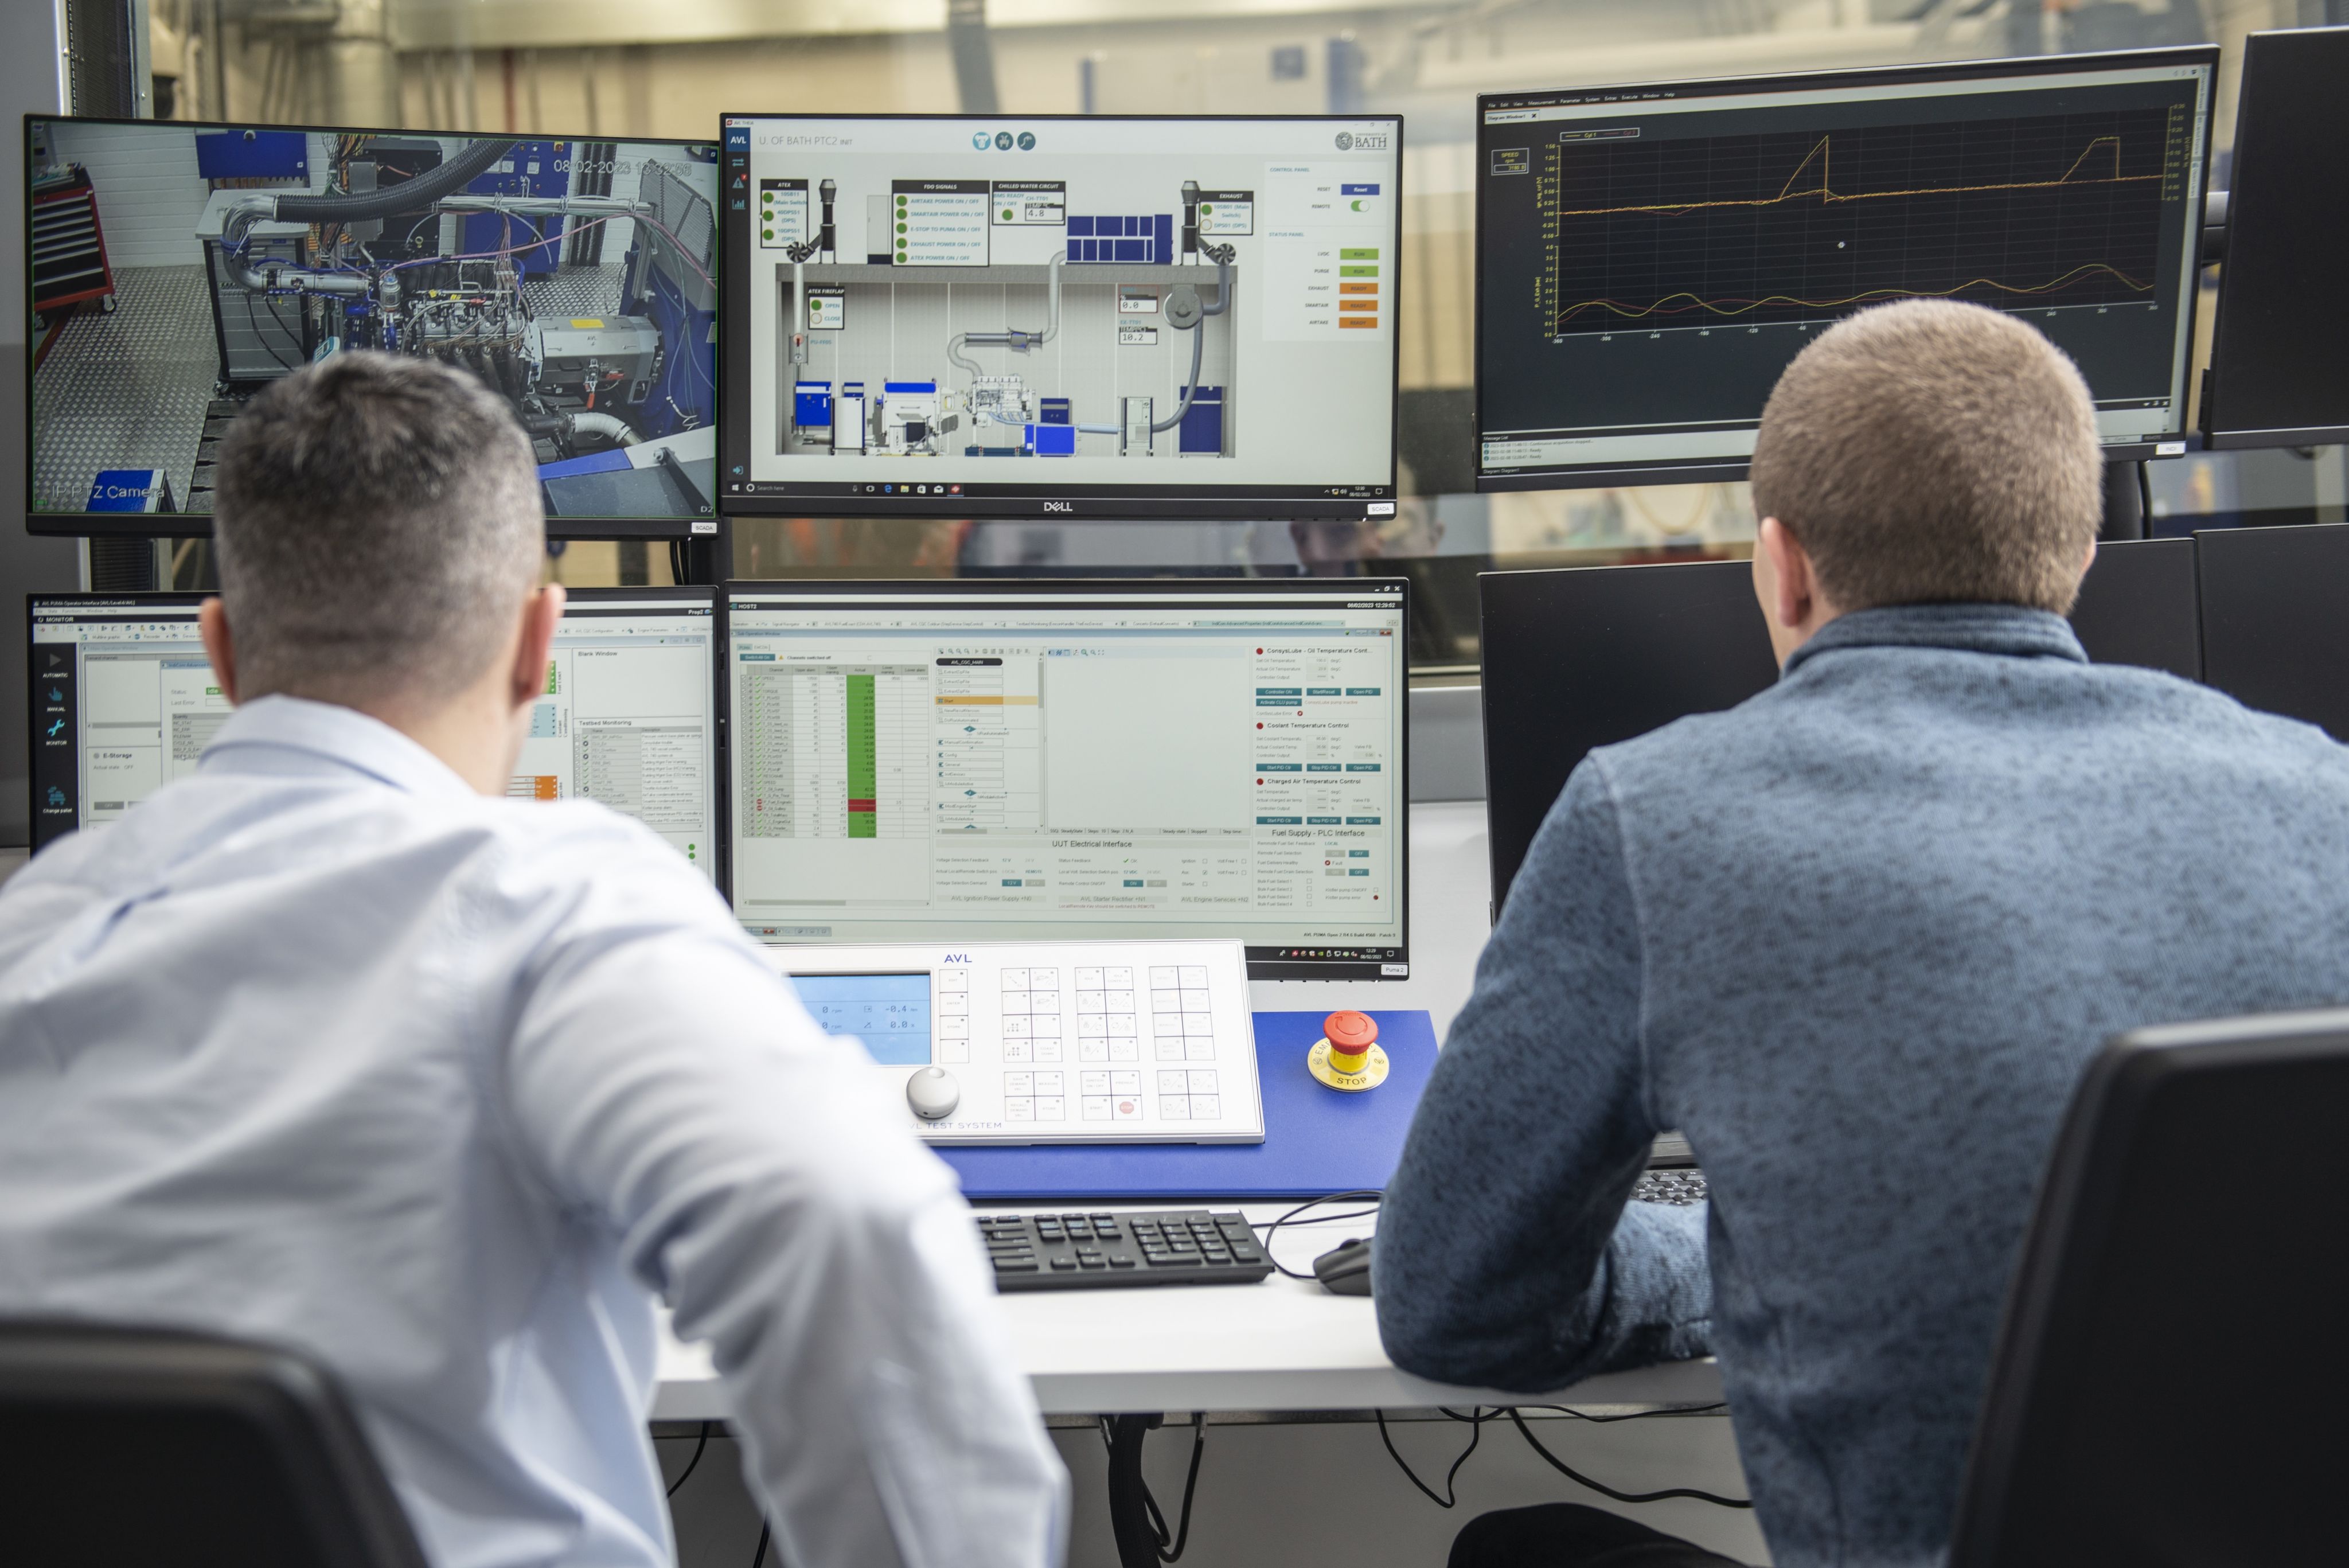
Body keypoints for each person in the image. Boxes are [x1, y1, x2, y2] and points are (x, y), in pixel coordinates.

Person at [0, 355, 1067, 1568]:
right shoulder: (549, 904)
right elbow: (847, 1223)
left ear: (221, 652)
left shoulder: (36, 929)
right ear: (536, 643)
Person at [1374, 299, 2349, 1567]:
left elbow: (1454, 1303)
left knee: (1520, 1549)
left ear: (1777, 563)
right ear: (2077, 554)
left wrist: (1731, 1254)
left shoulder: (1649, 814)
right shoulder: (2321, 790)